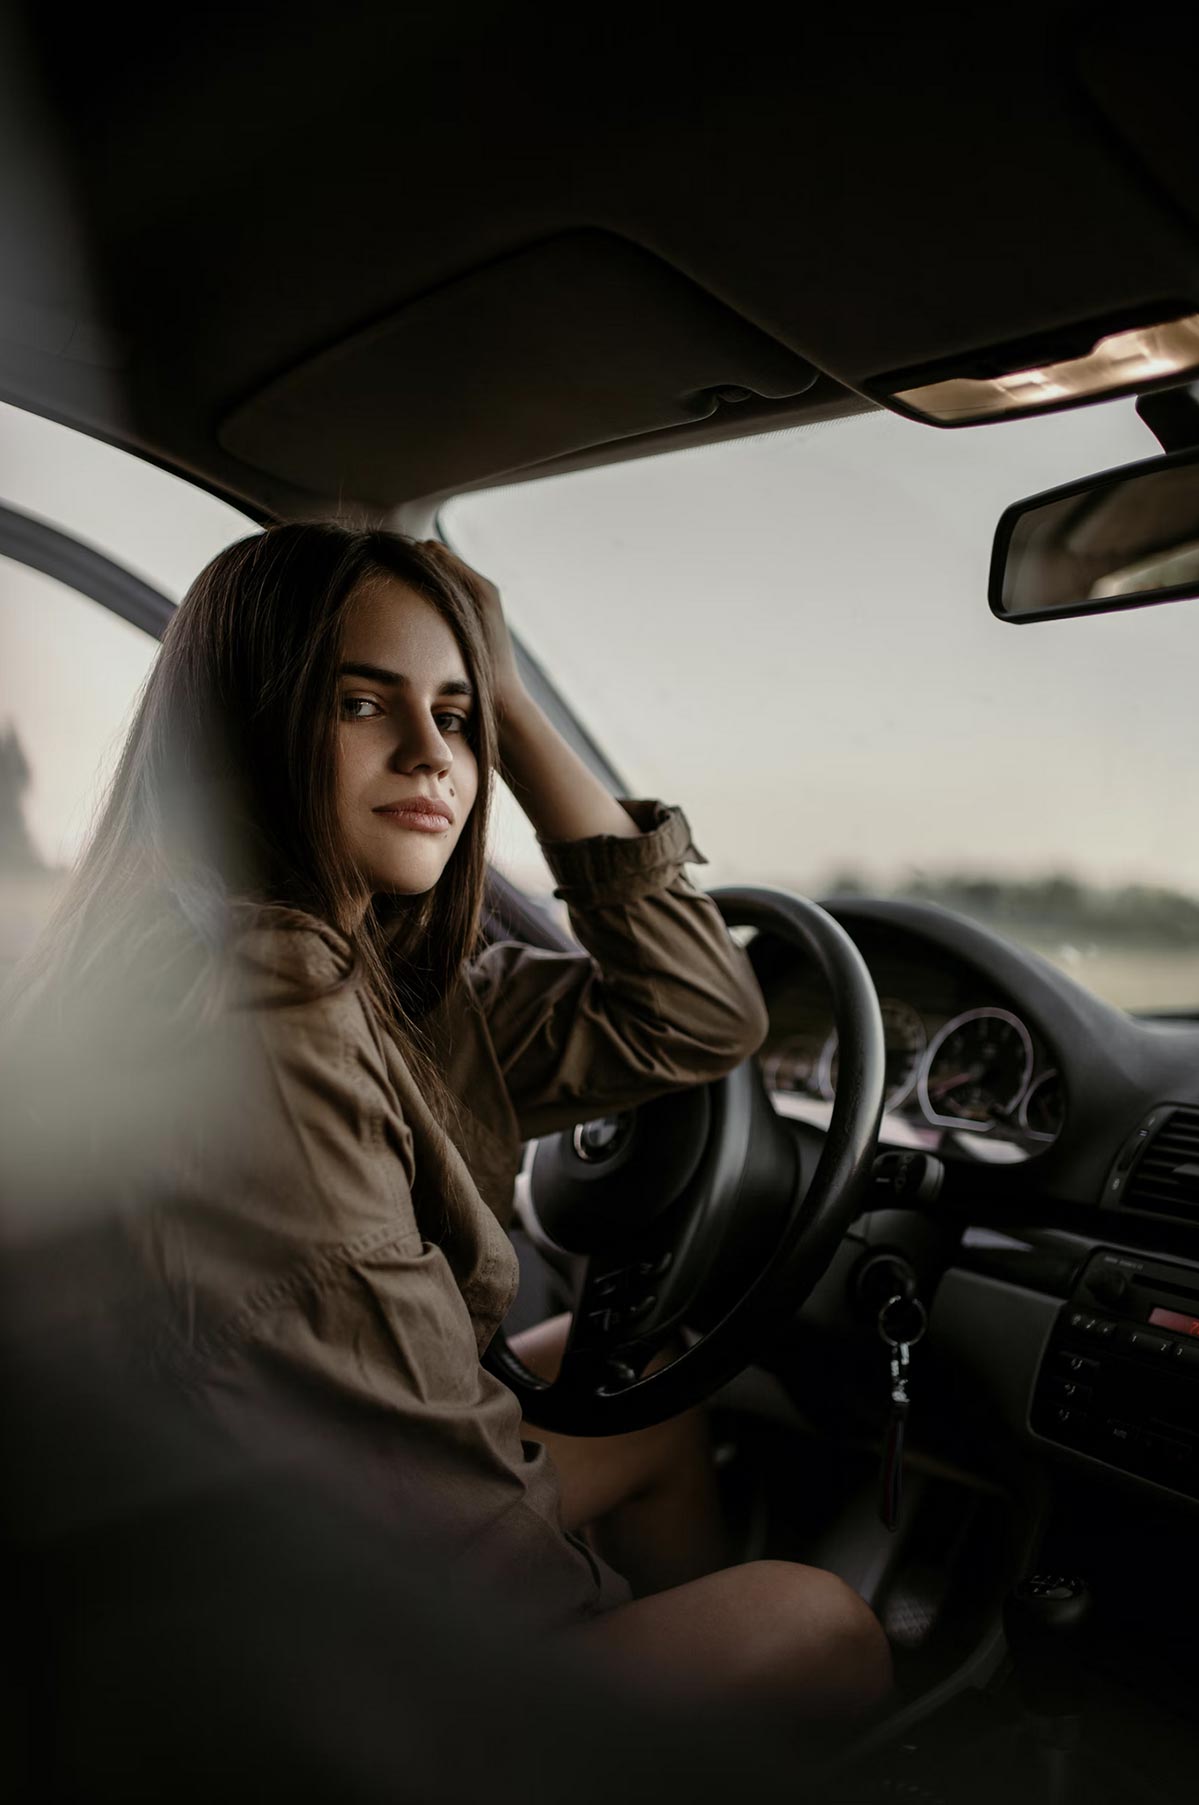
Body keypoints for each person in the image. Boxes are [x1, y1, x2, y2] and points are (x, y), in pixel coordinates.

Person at [0, 524, 891, 1736]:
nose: (432, 754)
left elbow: (696, 1010)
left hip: (247, 1524)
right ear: (245, 728)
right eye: (364, 702)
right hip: (302, 1608)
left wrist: (508, 691)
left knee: (638, 1392)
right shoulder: (273, 995)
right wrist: (590, 1633)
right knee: (819, 1621)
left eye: (458, 716)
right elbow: (421, 1473)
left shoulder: (367, 977)